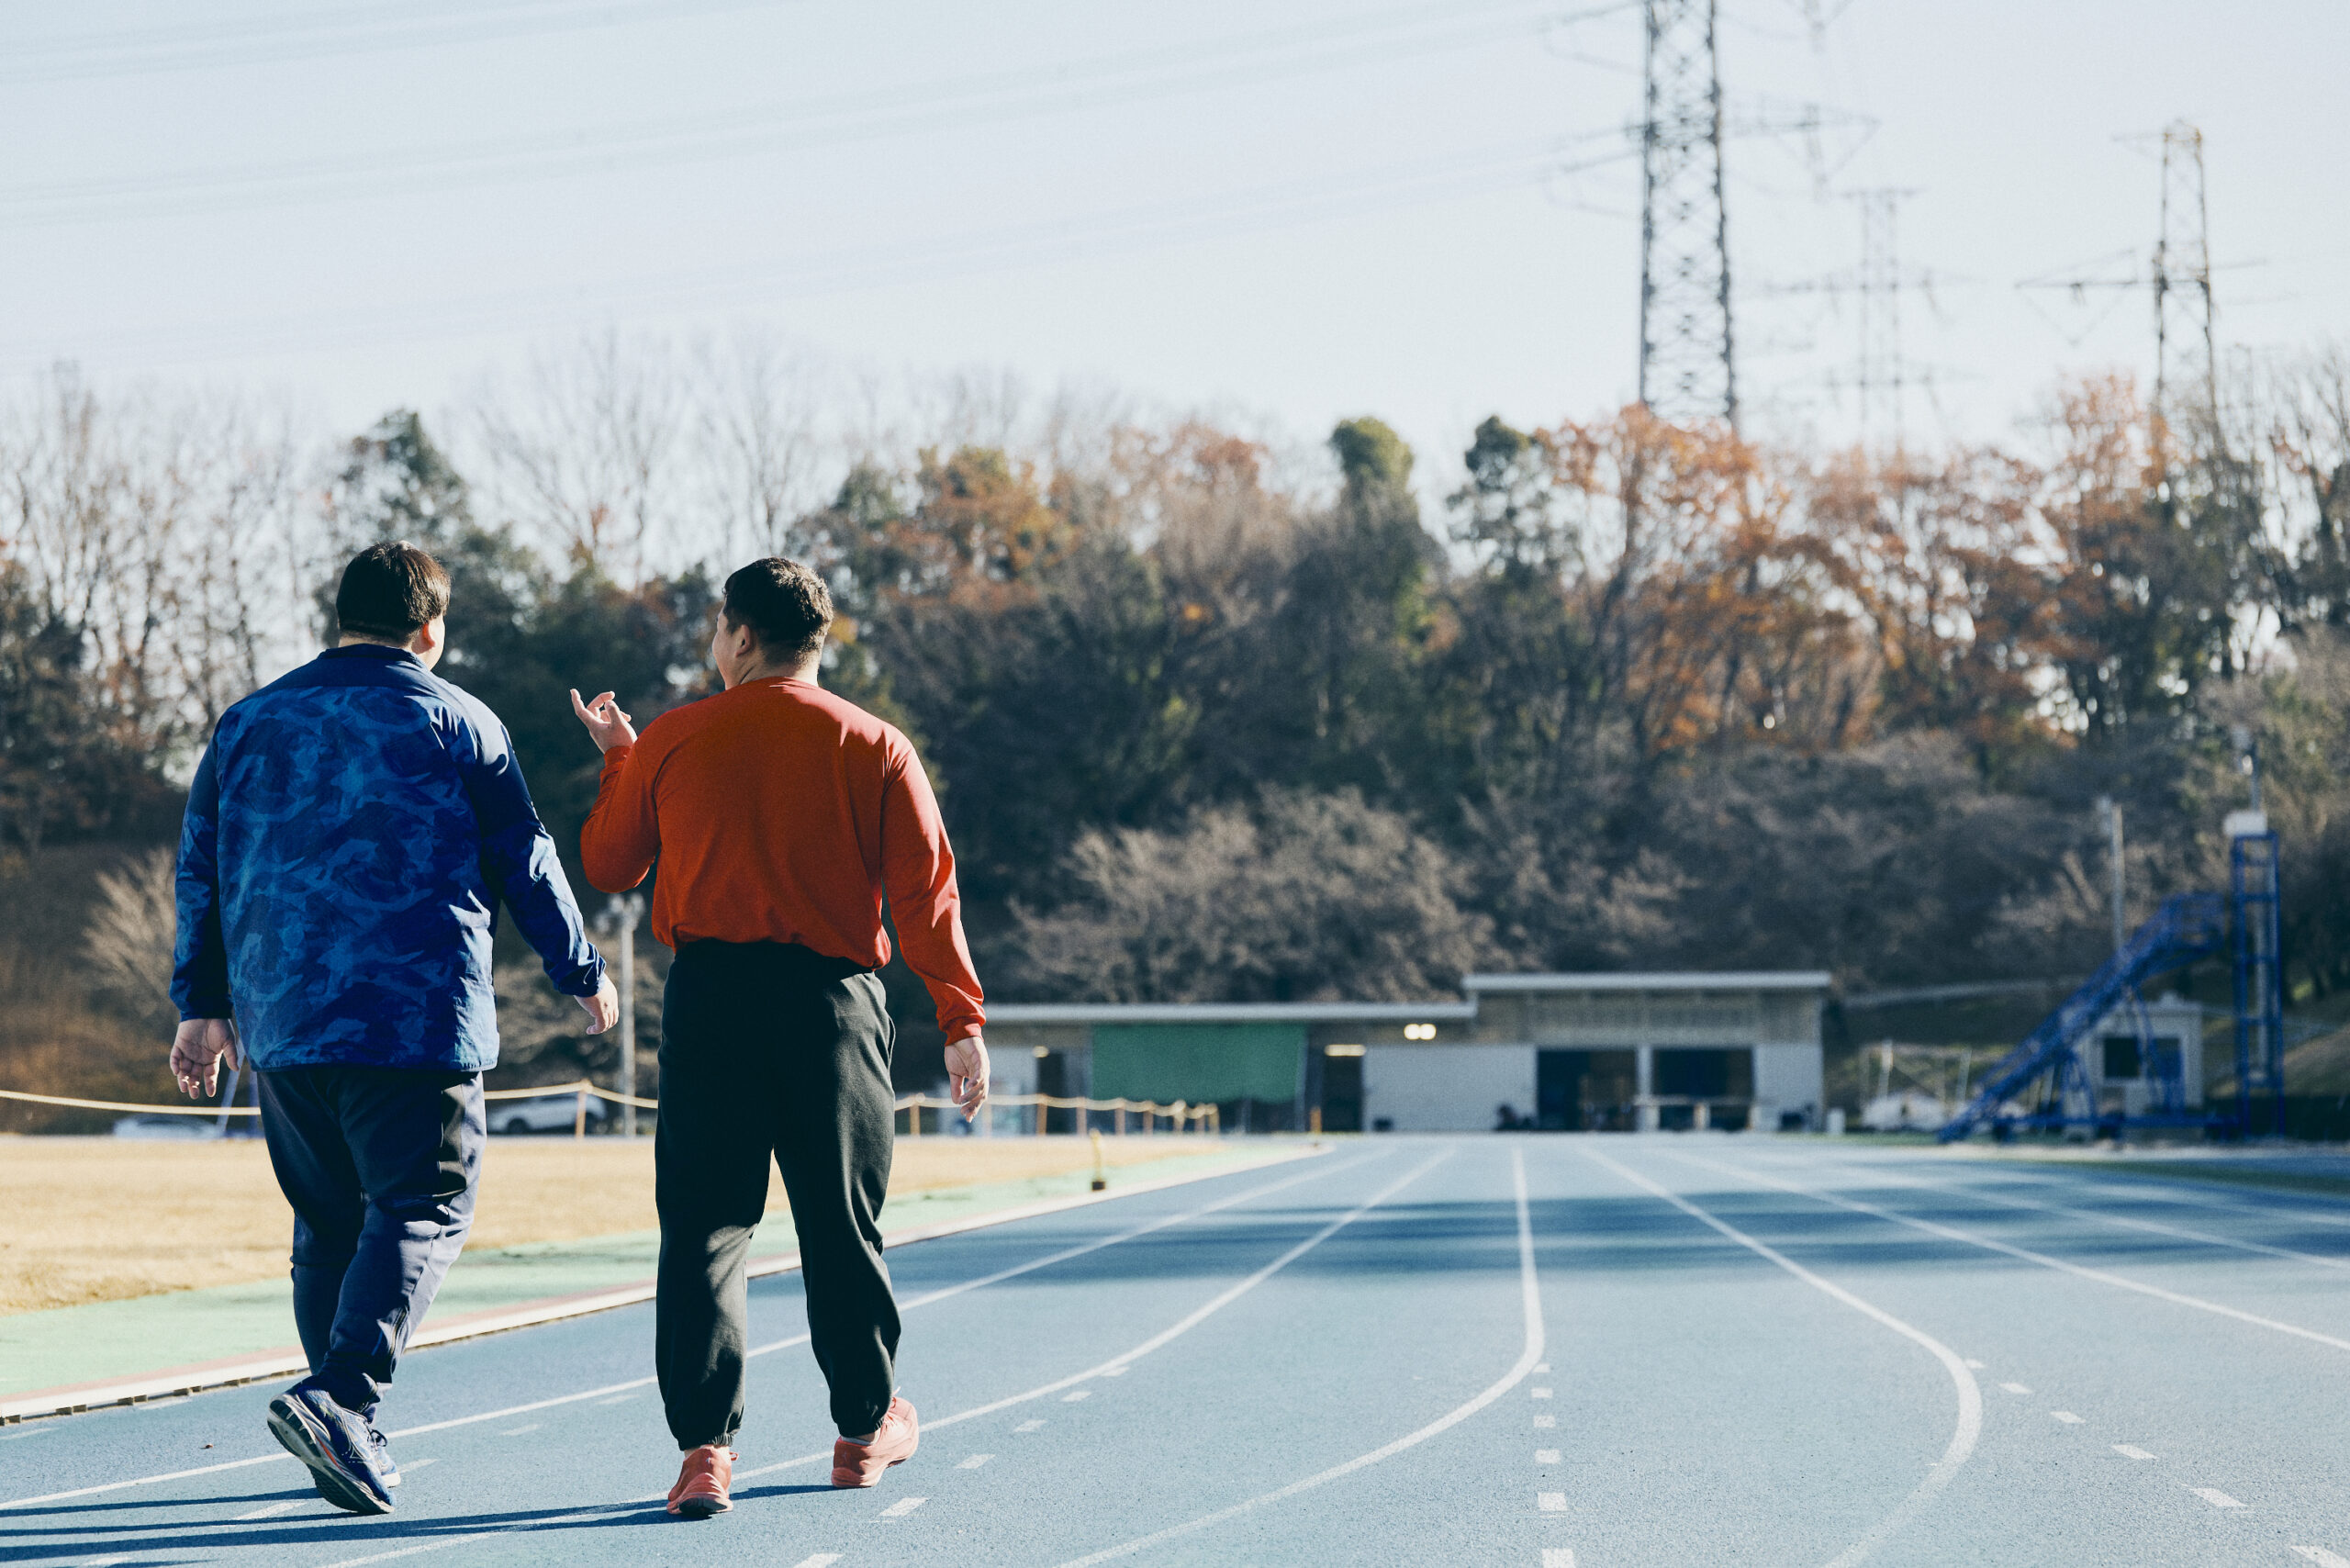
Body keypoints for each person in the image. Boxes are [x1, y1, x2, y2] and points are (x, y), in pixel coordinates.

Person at [170, 542, 618, 1516]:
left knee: (327, 1222)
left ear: (341, 616)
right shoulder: (458, 720)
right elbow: (523, 859)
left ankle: (337, 1421)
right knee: (427, 1199)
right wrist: (580, 969)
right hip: (414, 1015)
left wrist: (200, 1006)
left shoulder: (245, 723)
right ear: (430, 627)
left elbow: (200, 868)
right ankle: (341, 1398)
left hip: (281, 1019)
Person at [571, 556, 988, 1518]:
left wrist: (623, 758)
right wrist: (959, 1019)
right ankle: (861, 1427)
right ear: (818, 641)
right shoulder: (875, 743)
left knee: (708, 1228)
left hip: (712, 997)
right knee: (841, 1224)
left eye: (719, 631)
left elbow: (608, 861)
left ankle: (704, 1452)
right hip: (832, 1003)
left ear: (742, 636)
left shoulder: (674, 739)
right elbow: (927, 894)